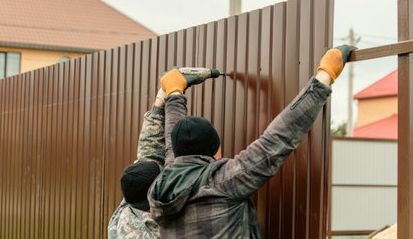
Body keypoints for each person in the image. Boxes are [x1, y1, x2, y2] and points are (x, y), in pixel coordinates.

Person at [148, 45, 356, 238]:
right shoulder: (221, 182)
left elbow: (172, 144)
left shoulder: (161, 185)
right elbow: (276, 140)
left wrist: (175, 92)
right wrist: (324, 76)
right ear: (215, 152)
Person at [107, 89, 168, 239]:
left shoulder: (130, 206)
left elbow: (149, 154)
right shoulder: (143, 234)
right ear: (152, 198)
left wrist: (159, 104)